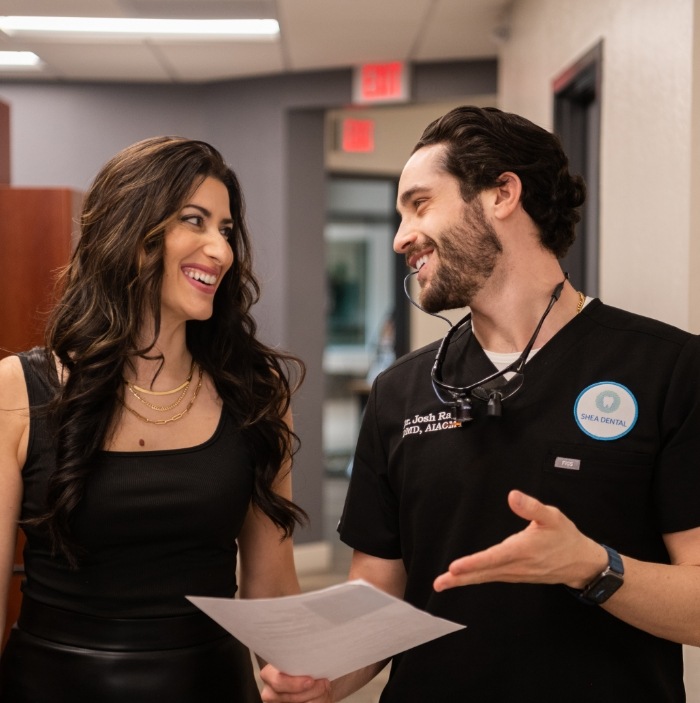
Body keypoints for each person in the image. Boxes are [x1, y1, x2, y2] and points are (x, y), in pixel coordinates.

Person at [259, 106, 700, 702]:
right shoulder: (401, 392)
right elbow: (380, 591)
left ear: (502, 193)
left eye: (419, 203)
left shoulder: (667, 370)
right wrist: (327, 674)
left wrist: (591, 566)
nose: (399, 238)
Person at [0, 136, 308, 702]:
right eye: (196, 221)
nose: (221, 250)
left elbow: (269, 588)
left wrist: (309, 676)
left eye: (226, 229)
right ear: (130, 231)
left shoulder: (256, 394)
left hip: (209, 686)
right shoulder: (19, 391)